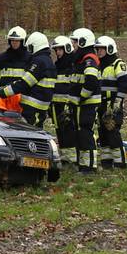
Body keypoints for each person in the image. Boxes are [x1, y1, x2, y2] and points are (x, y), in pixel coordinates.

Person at [0, 31, 56, 127]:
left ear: (36, 45)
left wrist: (3, 92)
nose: (29, 51)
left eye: (30, 47)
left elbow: (25, 83)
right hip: (41, 106)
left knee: (29, 132)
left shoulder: (39, 61)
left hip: (33, 107)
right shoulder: (47, 60)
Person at [70, 28, 102, 173]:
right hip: (82, 104)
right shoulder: (81, 59)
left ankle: (89, 166)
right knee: (81, 133)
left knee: (85, 133)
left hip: (87, 104)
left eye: (75, 41)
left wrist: (81, 97)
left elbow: (91, 81)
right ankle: (84, 165)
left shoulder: (89, 59)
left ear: (83, 42)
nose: (73, 44)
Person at [95, 35, 127, 169]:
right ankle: (106, 163)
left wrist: (117, 103)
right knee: (102, 134)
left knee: (113, 133)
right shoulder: (98, 65)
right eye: (97, 49)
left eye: (101, 49)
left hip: (113, 105)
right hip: (101, 105)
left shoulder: (118, 64)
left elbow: (125, 83)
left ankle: (121, 163)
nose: (99, 52)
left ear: (109, 49)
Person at [50, 35, 78, 167]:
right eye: (56, 50)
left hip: (67, 105)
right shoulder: (56, 66)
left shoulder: (73, 66)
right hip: (56, 105)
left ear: (67, 49)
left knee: (69, 131)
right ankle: (65, 156)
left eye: (60, 50)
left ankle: (72, 158)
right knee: (59, 130)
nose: (58, 52)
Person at [0, 26, 28, 113]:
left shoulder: (30, 59)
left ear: (23, 41)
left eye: (17, 40)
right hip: (4, 101)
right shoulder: (1, 58)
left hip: (22, 101)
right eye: (12, 40)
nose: (14, 43)